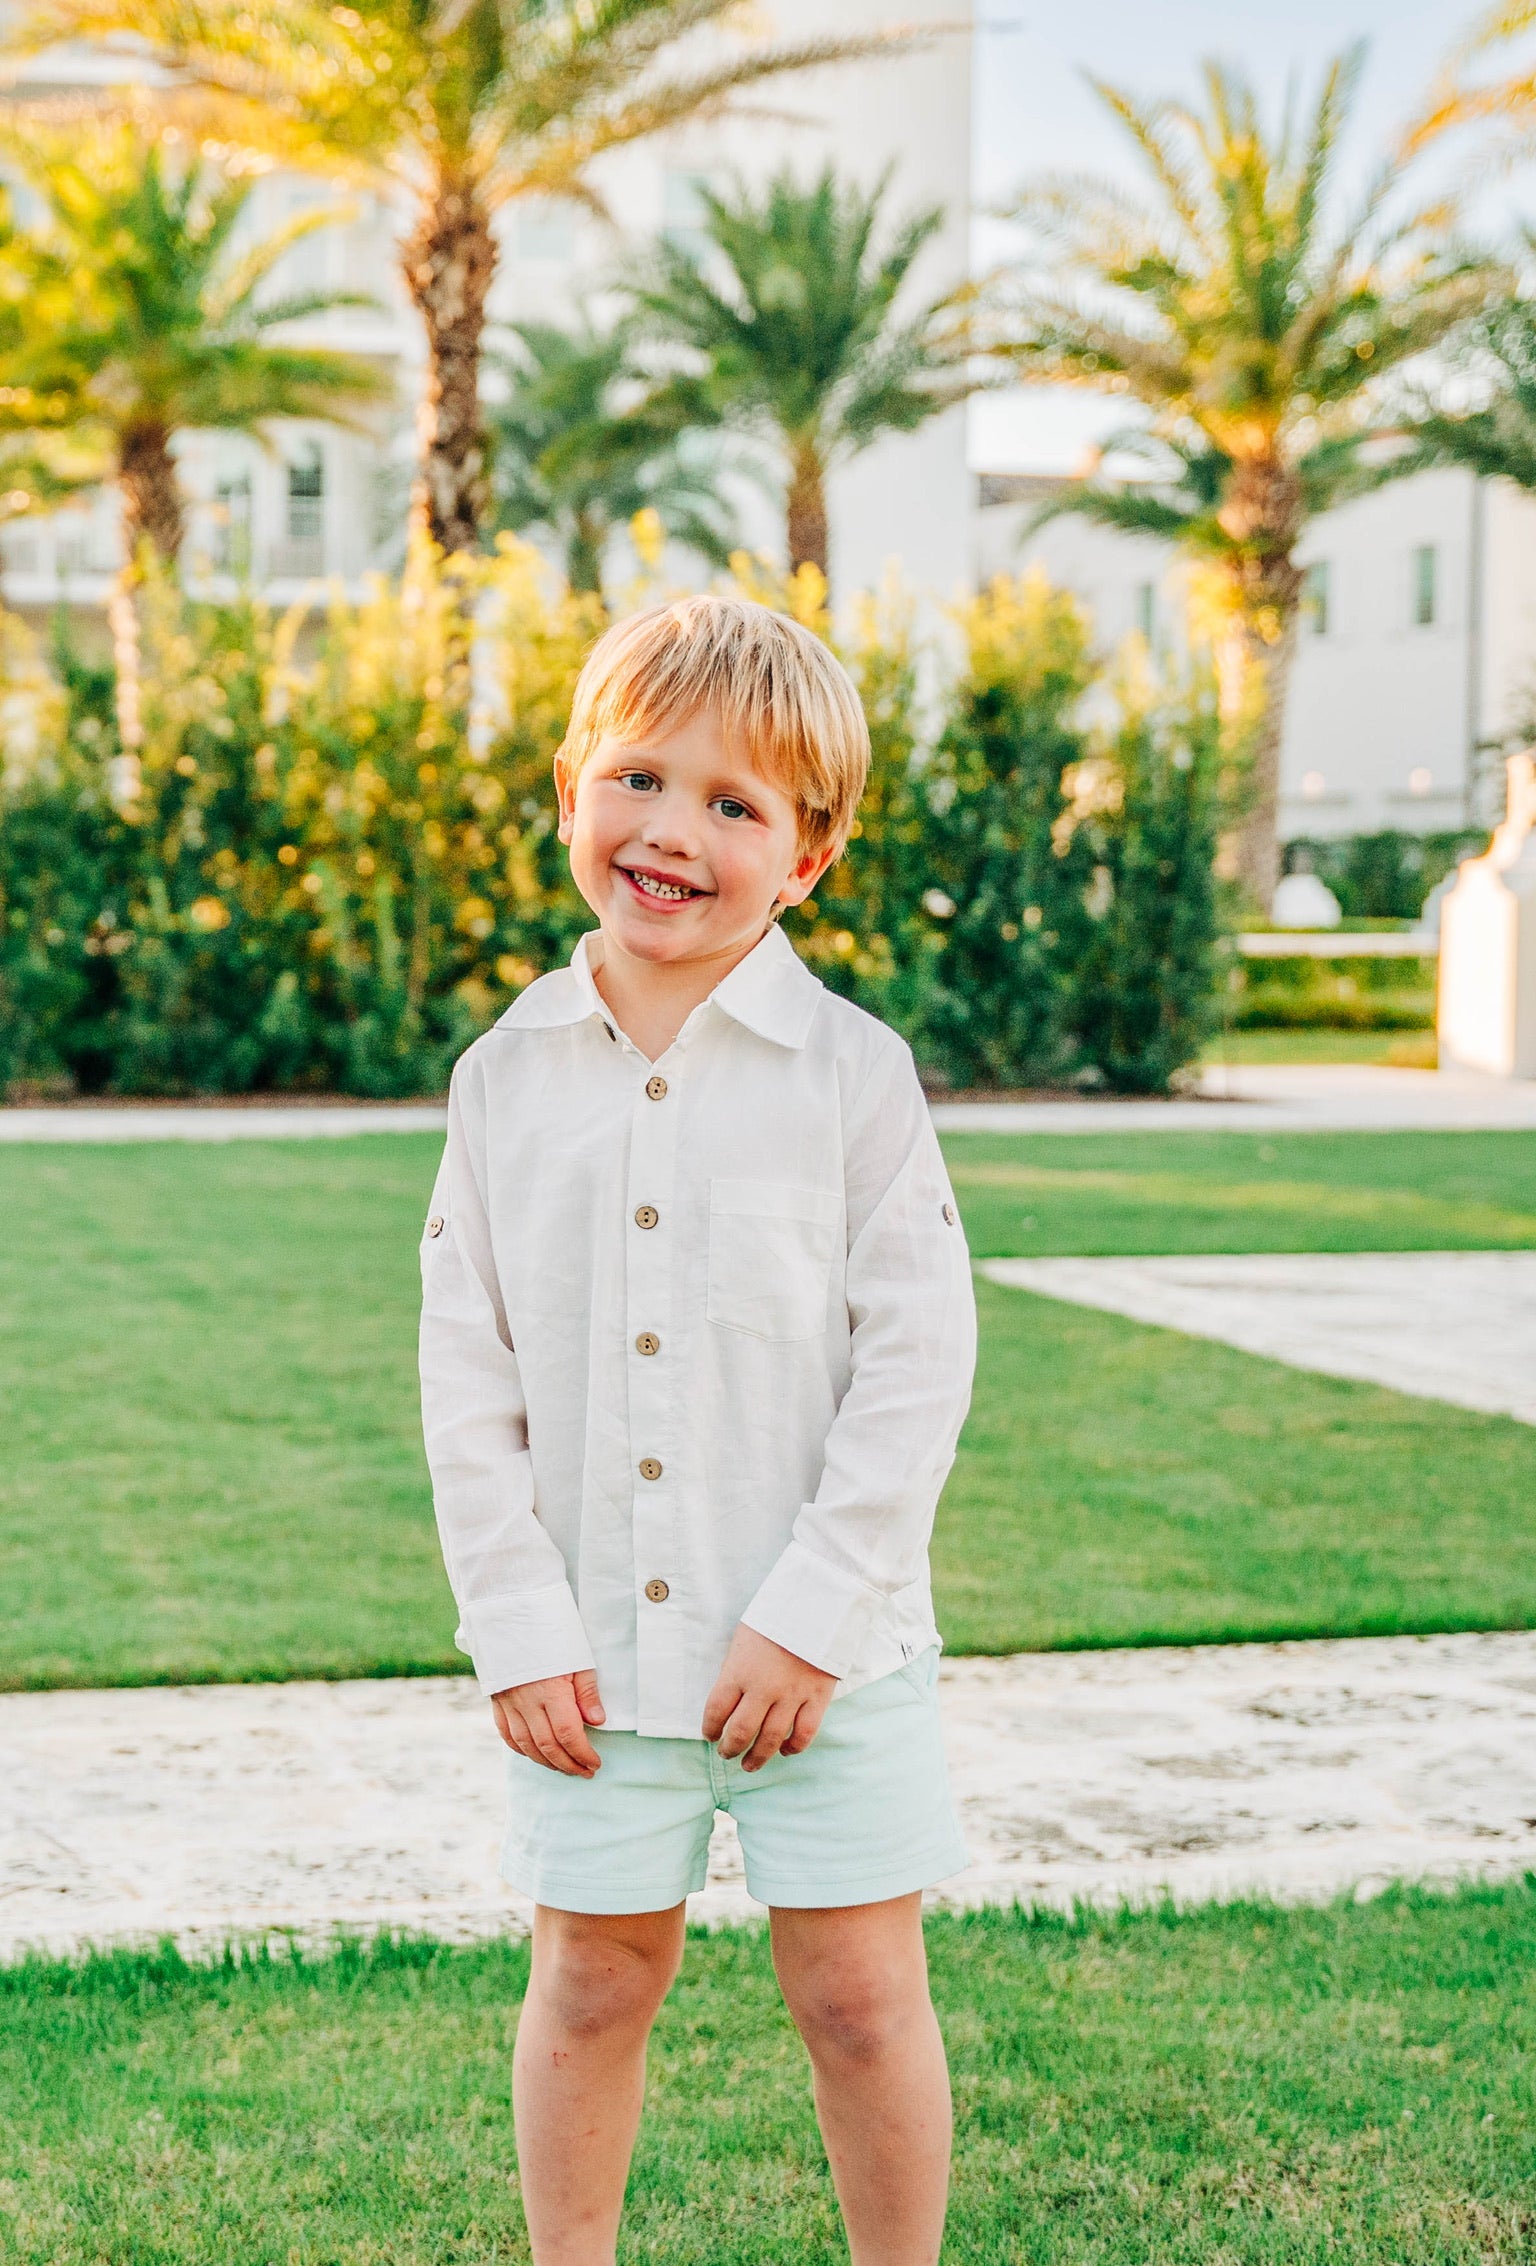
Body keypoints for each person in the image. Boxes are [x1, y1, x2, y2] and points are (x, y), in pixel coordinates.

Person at [419, 594, 977, 2266]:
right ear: (572, 789)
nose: (673, 831)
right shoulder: (505, 1077)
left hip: (831, 1659)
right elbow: (466, 1374)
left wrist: (814, 1614)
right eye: (641, 778)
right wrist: (515, 1623)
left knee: (860, 1995)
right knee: (593, 1983)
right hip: (592, 1664)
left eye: (735, 803)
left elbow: (918, 1364)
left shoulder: (854, 1076)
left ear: (808, 856)